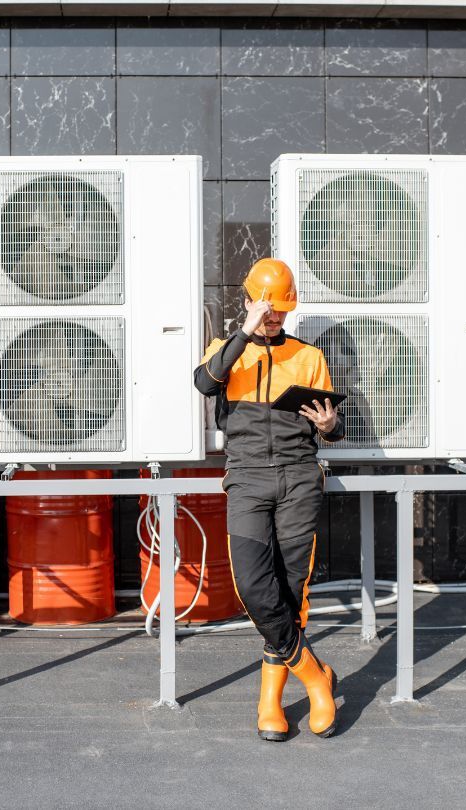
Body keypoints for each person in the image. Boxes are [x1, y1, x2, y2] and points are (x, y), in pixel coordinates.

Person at [193, 257, 345, 741]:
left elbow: (331, 428)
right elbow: (203, 382)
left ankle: (270, 704)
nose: (275, 316)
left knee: (291, 591)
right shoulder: (227, 350)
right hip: (248, 479)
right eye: (267, 307)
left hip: (300, 478)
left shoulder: (308, 357)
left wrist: (329, 427)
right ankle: (315, 677)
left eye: (281, 309)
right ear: (249, 301)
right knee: (255, 589)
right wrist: (245, 331)